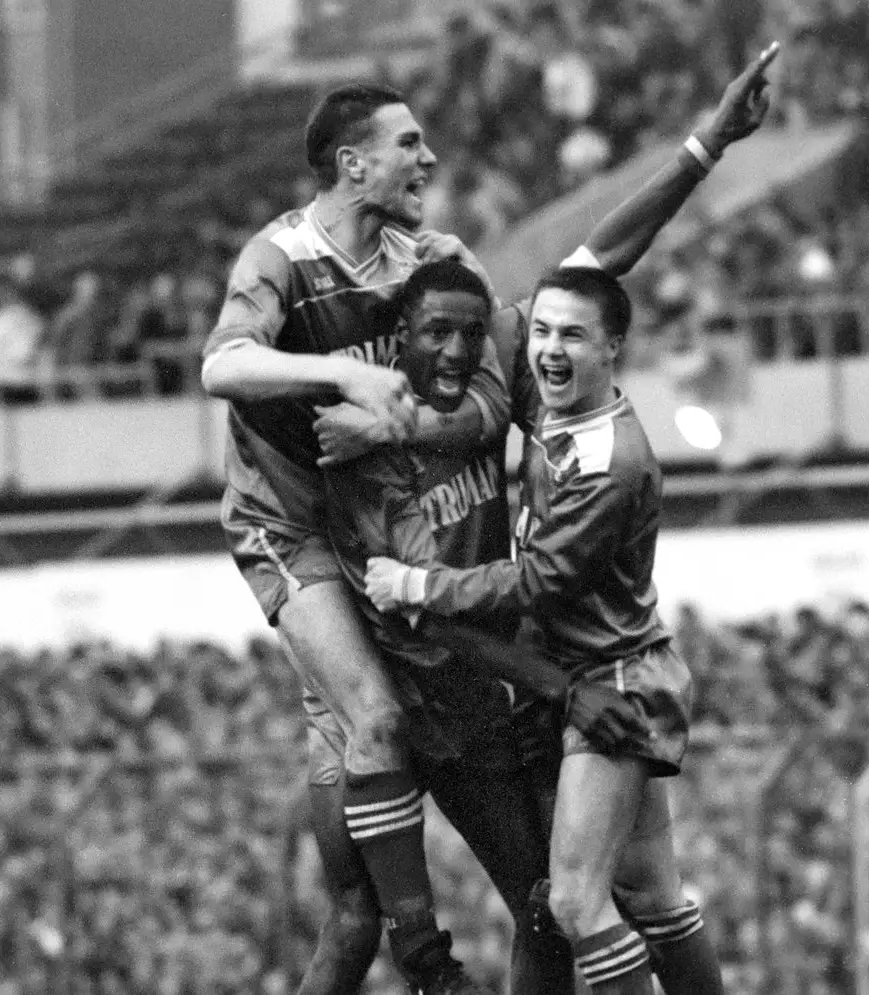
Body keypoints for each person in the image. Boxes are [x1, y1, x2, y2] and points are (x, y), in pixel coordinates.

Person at [202, 82, 510, 994]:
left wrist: (396, 427)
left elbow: (494, 405)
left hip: (380, 541)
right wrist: (335, 371)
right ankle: (430, 962)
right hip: (289, 530)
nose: (428, 160)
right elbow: (222, 363)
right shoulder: (283, 258)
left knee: (349, 913)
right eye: (409, 144)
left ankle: (403, 934)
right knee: (376, 717)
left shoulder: (435, 264)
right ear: (354, 163)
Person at [364, 266, 733, 995]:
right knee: (654, 896)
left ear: (613, 347)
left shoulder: (609, 463)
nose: (550, 350)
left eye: (573, 335)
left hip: (611, 682)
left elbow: (537, 579)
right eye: (541, 332)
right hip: (617, 667)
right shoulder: (558, 413)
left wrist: (418, 584)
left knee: (570, 899)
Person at [303, 259, 575, 995]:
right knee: (354, 922)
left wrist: (699, 148)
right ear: (399, 338)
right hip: (377, 699)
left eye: (470, 333)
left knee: (548, 908)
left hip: (468, 703)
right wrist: (556, 683)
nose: (455, 349)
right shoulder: (356, 449)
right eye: (436, 332)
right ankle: (426, 965)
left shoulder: (476, 414)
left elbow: (593, 267)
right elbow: (426, 613)